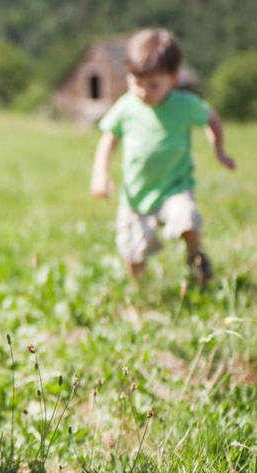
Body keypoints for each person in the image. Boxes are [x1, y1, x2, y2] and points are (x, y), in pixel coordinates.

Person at [90, 28, 236, 288]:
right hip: (136, 196)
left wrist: (219, 150)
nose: (144, 91)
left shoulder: (184, 104)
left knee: (188, 219)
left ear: (174, 77)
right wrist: (100, 174)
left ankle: (196, 258)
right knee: (133, 253)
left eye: (154, 85)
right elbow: (108, 140)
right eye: (137, 82)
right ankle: (141, 290)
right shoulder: (126, 106)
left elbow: (211, 117)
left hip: (175, 187)